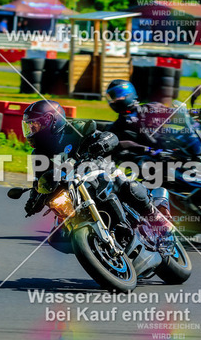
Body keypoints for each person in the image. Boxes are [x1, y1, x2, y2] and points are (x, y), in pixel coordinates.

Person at [13, 99, 171, 243]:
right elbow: (39, 180)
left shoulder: (76, 128)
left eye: (34, 125)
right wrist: (33, 199)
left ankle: (154, 214)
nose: (31, 130)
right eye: (29, 126)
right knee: (56, 238)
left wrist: (102, 143)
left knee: (128, 186)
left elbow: (110, 136)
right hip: (73, 190)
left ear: (50, 120)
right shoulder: (38, 153)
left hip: (99, 172)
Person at [106, 79, 201, 152]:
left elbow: (178, 113)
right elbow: (119, 144)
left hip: (177, 148)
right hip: (153, 162)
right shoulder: (118, 125)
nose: (114, 100)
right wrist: (146, 150)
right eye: (111, 98)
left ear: (128, 94)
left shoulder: (150, 108)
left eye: (117, 96)